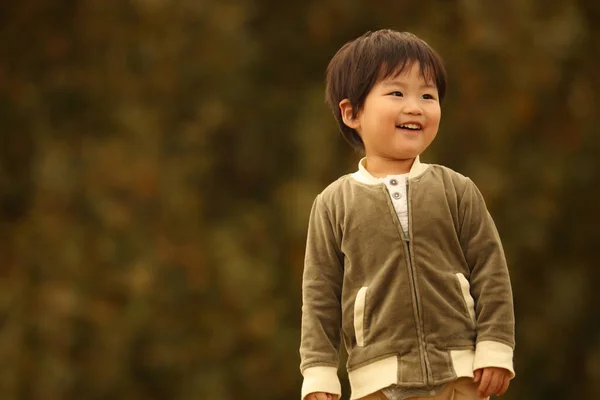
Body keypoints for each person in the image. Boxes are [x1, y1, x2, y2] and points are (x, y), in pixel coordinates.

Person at [299, 30, 515, 400]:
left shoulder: (456, 190)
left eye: (427, 95)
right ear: (352, 113)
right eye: (397, 93)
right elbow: (320, 295)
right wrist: (319, 375)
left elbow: (490, 272)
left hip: (460, 375)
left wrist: (495, 346)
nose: (415, 106)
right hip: (378, 382)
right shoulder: (333, 203)